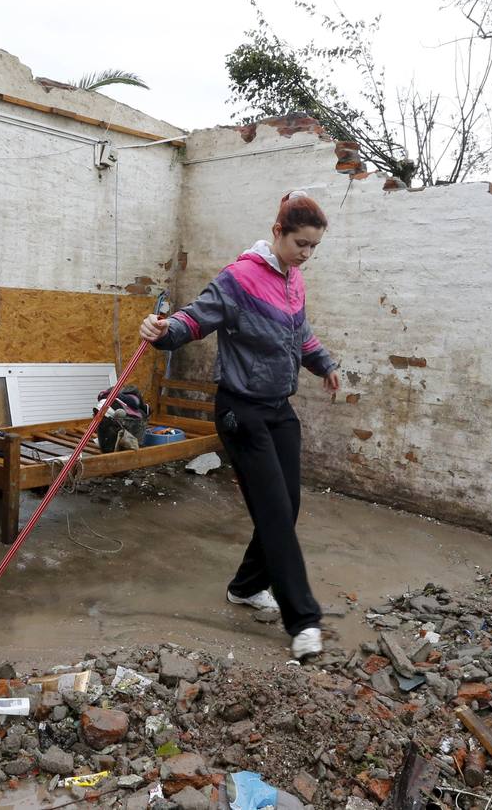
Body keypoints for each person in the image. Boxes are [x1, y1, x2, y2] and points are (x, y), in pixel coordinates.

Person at [139, 190, 340, 661]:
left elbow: (299, 332)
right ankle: (304, 620)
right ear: (277, 233)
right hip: (240, 410)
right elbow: (195, 317)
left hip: (278, 408)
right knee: (272, 511)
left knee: (286, 506)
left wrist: (323, 364)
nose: (306, 255)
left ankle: (246, 587)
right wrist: (162, 330)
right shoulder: (239, 278)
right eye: (300, 244)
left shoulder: (293, 281)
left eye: (313, 247)